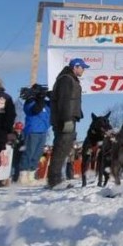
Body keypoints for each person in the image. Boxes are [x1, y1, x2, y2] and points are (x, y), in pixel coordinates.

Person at [48, 58, 89, 189]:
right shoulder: (67, 79)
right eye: (82, 67)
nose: (83, 70)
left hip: (68, 117)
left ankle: (56, 178)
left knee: (64, 148)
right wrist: (67, 119)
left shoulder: (69, 79)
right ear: (75, 67)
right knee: (61, 148)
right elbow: (65, 100)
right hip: (65, 119)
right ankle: (55, 180)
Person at [19, 84, 51, 184]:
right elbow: (35, 110)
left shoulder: (45, 103)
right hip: (32, 131)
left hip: (43, 132)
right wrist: (40, 98)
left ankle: (31, 175)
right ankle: (23, 175)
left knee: (37, 155)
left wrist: (50, 95)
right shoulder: (30, 102)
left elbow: (54, 104)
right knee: (29, 153)